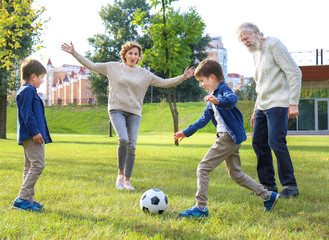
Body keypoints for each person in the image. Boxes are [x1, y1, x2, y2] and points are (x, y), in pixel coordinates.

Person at [61, 41, 195, 191]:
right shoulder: (112, 67)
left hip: (134, 112)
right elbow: (91, 65)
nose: (133, 56)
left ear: (139, 57)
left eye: (136, 54)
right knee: (123, 139)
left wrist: (183, 77)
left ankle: (127, 180)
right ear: (124, 54)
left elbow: (164, 82)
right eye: (130, 53)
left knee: (132, 145)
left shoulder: (145, 74)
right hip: (116, 109)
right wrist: (74, 52)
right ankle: (120, 174)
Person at [174, 59, 279, 218]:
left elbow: (231, 100)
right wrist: (186, 132)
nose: (200, 85)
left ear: (212, 77)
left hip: (226, 137)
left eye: (202, 81)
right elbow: (204, 119)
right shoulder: (212, 97)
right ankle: (267, 195)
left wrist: (218, 101)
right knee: (236, 175)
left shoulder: (223, 90)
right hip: (230, 138)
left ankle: (200, 208)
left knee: (203, 168)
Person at [237, 22, 301, 198]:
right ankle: (267, 186)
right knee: (258, 142)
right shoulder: (256, 54)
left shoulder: (274, 44)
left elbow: (294, 72)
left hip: (279, 103)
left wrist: (293, 102)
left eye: (246, 37)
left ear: (256, 33)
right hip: (263, 106)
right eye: (242, 40)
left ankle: (290, 186)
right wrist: (255, 110)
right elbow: (261, 85)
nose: (245, 42)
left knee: (276, 142)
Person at [13, 59, 52, 211]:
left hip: (32, 134)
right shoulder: (27, 90)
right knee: (38, 165)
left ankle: (28, 200)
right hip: (32, 135)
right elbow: (27, 114)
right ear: (33, 76)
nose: (42, 81)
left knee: (29, 166)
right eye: (42, 77)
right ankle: (21, 198)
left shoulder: (28, 90)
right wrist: (35, 132)